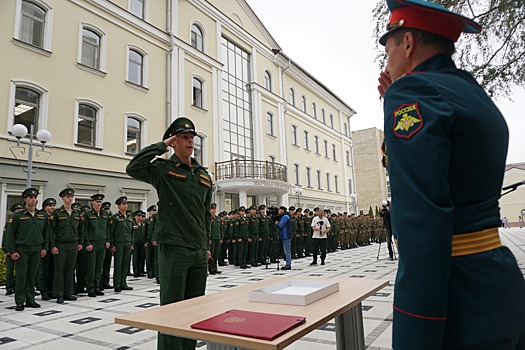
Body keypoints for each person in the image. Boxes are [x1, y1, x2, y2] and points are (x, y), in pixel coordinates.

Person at [377, 0, 525, 349]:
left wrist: (416, 333)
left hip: (456, 302)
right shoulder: (472, 94)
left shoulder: (411, 93)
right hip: (498, 290)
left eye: (388, 49)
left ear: (408, 42)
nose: (388, 62)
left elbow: (423, 222)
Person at [126, 116, 212, 350]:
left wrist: (206, 246)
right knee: (172, 312)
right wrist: (162, 145)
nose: (190, 141)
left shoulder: (204, 175)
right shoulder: (163, 169)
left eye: (192, 137)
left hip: (197, 251)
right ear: (174, 141)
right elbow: (133, 167)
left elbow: (205, 215)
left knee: (193, 311)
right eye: (184, 137)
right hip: (174, 249)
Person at [6, 188, 48, 311]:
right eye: (30, 197)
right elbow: (10, 235)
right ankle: (20, 301)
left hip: (36, 249)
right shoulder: (18, 216)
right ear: (25, 199)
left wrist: (45, 248)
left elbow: (46, 234)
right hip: (22, 250)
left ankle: (30, 299)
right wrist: (12, 251)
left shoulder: (41, 216)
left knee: (32, 276)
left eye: (35, 197)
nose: (33, 199)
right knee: (21, 276)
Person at [49, 188, 83, 304]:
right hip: (61, 244)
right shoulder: (57, 213)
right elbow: (52, 231)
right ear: (63, 198)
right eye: (67, 196)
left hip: (73, 244)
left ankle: (68, 292)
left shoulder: (76, 213)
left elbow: (80, 230)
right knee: (59, 270)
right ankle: (59, 294)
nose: (70, 198)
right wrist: (53, 245)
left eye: (71, 196)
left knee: (70, 269)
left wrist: (80, 243)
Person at [83, 194, 110, 297]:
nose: (99, 203)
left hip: (102, 244)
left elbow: (108, 229)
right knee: (91, 267)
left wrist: (108, 240)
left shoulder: (105, 214)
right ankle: (90, 288)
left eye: (100, 202)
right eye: (97, 202)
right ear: (92, 203)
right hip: (92, 244)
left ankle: (97, 287)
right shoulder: (88, 215)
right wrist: (87, 243)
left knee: (99, 267)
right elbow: (85, 230)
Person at [109, 196, 133, 293]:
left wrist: (132, 242)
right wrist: (112, 245)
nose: (125, 206)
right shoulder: (115, 218)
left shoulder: (129, 217)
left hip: (127, 243)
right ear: (119, 206)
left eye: (126, 204)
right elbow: (111, 232)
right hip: (118, 244)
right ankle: (117, 284)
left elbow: (132, 232)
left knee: (125, 264)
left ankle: (124, 283)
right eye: (123, 204)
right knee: (118, 265)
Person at [2, 203, 23, 296]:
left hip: (20, 249)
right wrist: (6, 250)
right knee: (10, 270)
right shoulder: (9, 223)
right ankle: (9, 287)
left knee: (21, 271)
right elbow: (6, 237)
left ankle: (19, 287)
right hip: (11, 250)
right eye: (17, 211)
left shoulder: (23, 222)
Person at [39, 198, 56, 300]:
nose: (52, 207)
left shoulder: (54, 217)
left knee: (52, 270)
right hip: (44, 247)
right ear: (45, 207)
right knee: (43, 271)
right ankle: (43, 291)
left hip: (53, 247)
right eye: (50, 206)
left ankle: (51, 290)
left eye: (53, 205)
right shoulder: (41, 216)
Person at [276, 206, 292, 270]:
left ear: (282, 210)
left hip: (286, 235)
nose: (278, 211)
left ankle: (288, 264)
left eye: (279, 209)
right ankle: (288, 263)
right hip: (285, 235)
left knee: (287, 251)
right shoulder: (285, 216)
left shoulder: (285, 217)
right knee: (287, 250)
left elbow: (280, 225)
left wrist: (277, 223)